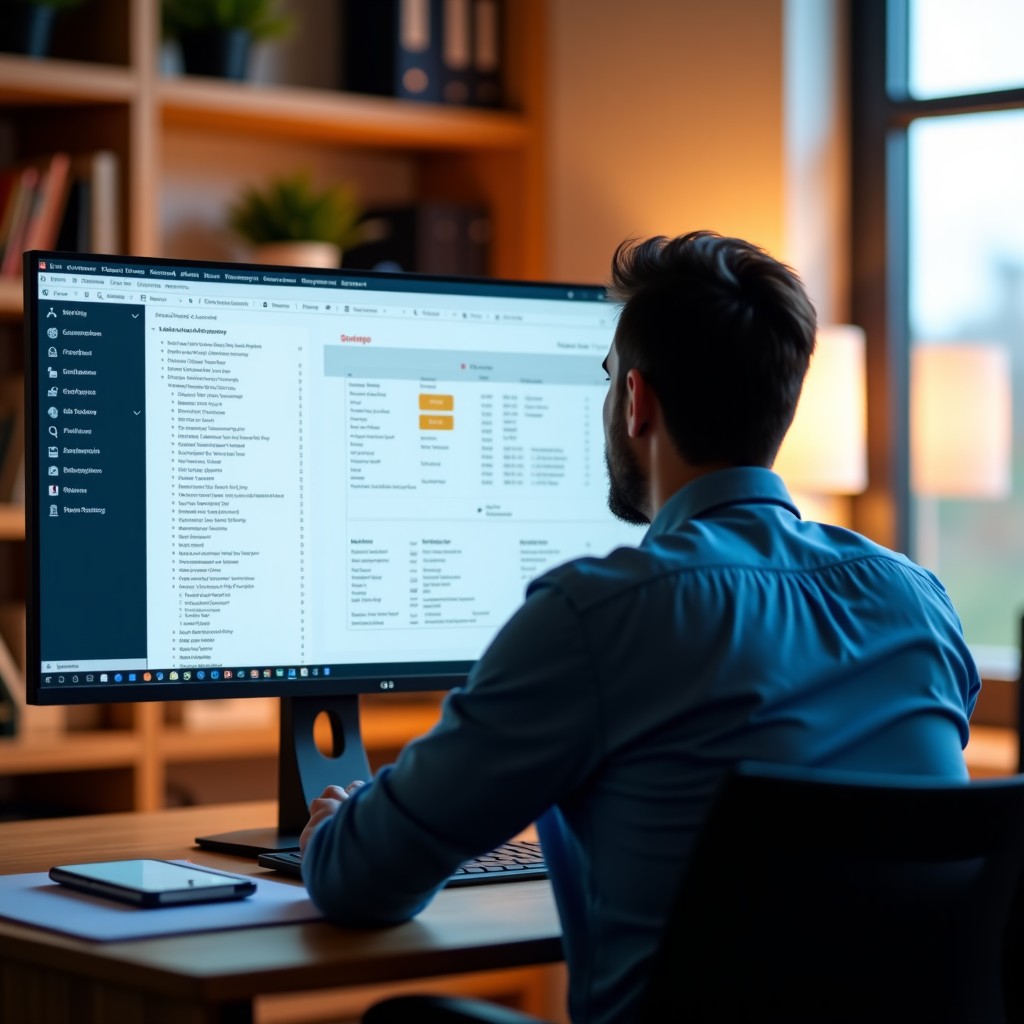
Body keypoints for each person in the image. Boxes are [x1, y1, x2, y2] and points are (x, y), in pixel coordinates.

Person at [300, 231, 980, 1024]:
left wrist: (334, 829)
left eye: (607, 379)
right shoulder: (919, 602)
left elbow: (362, 880)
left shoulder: (597, 616)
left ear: (635, 401)